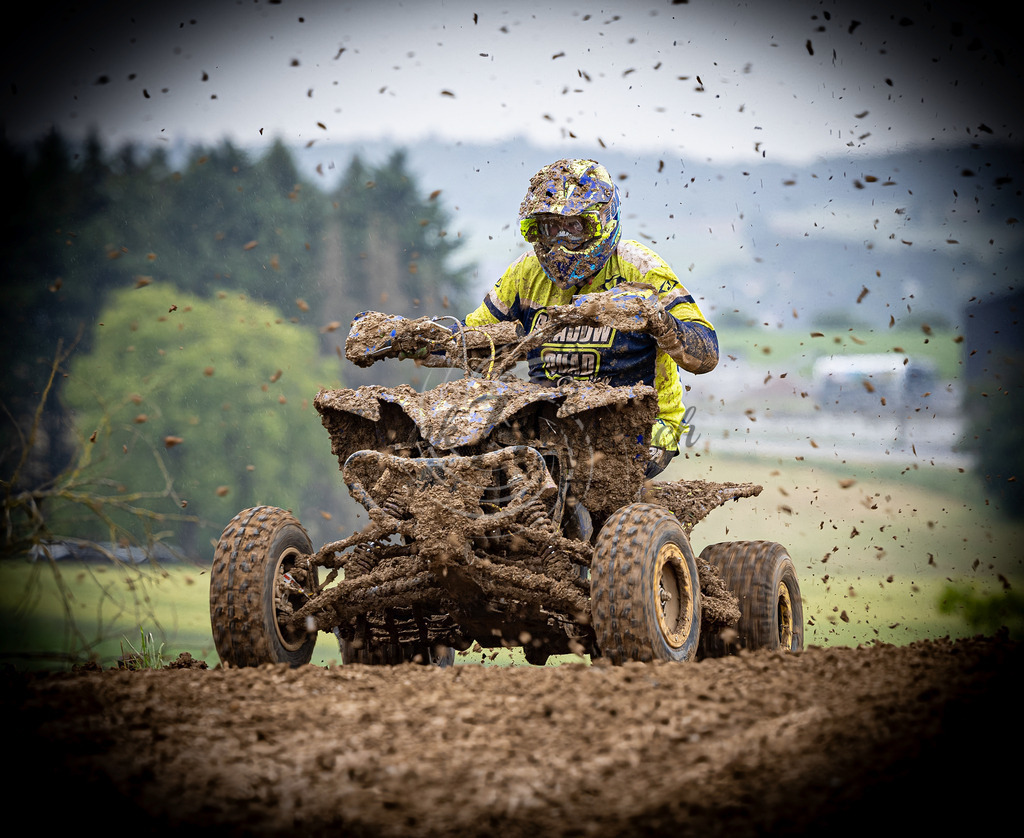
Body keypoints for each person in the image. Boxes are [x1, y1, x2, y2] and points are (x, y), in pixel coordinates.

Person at [463, 158, 719, 478]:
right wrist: (414, 337)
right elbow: (469, 339)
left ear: (601, 222)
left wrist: (658, 320)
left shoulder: (638, 267)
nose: (559, 242)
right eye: (550, 227)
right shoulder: (525, 273)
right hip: (552, 422)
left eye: (572, 227)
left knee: (579, 477)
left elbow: (707, 356)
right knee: (479, 458)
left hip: (645, 425)